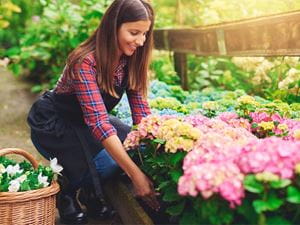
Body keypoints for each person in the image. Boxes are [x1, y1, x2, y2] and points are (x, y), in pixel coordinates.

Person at [27, 0, 160, 224]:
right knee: (107, 164)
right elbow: (98, 122)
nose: (141, 41)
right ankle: (64, 189)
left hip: (87, 122)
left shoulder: (131, 60)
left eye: (145, 34)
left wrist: (158, 146)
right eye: (134, 32)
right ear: (113, 26)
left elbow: (142, 115)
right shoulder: (85, 61)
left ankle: (91, 191)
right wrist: (136, 176)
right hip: (57, 124)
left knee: (136, 146)